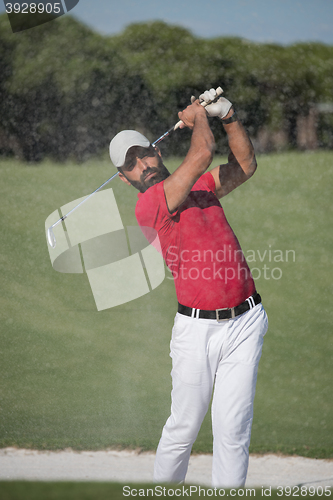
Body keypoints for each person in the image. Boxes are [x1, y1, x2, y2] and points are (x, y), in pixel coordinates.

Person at [109, 88, 268, 488]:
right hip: (197, 332)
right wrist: (199, 116)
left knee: (233, 428)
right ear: (126, 180)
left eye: (143, 153)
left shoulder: (201, 189)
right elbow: (200, 156)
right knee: (184, 428)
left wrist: (227, 114)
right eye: (131, 165)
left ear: (158, 151)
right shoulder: (149, 206)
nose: (142, 165)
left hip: (246, 321)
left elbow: (245, 165)